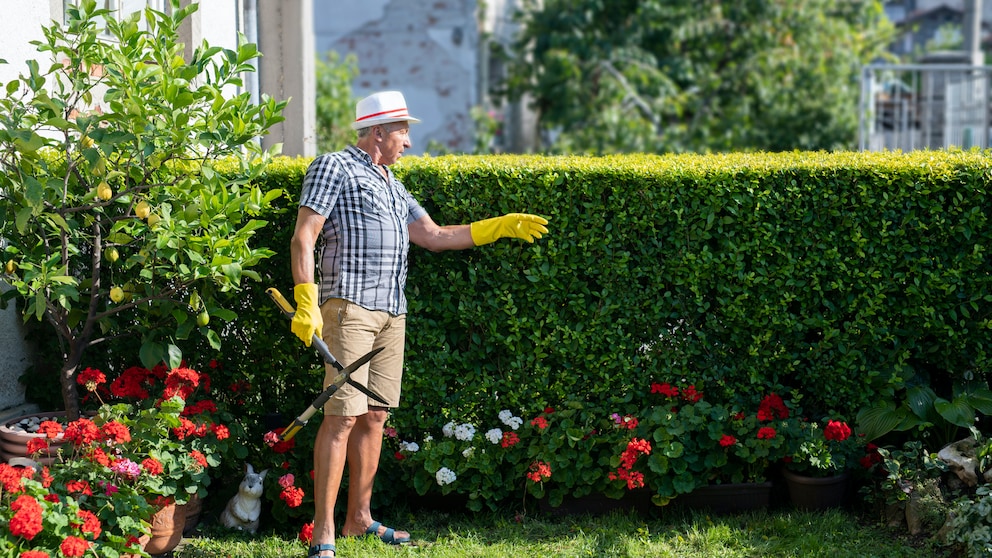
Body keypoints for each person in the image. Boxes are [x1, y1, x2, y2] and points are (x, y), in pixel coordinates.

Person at [289, 90, 549, 558]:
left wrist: (500, 226)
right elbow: (304, 236)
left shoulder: (391, 183)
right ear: (378, 131)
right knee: (342, 416)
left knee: (375, 416)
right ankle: (323, 532)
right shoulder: (335, 167)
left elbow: (432, 236)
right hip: (349, 308)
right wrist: (306, 300)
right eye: (403, 130)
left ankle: (359, 519)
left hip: (392, 313)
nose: (408, 141)